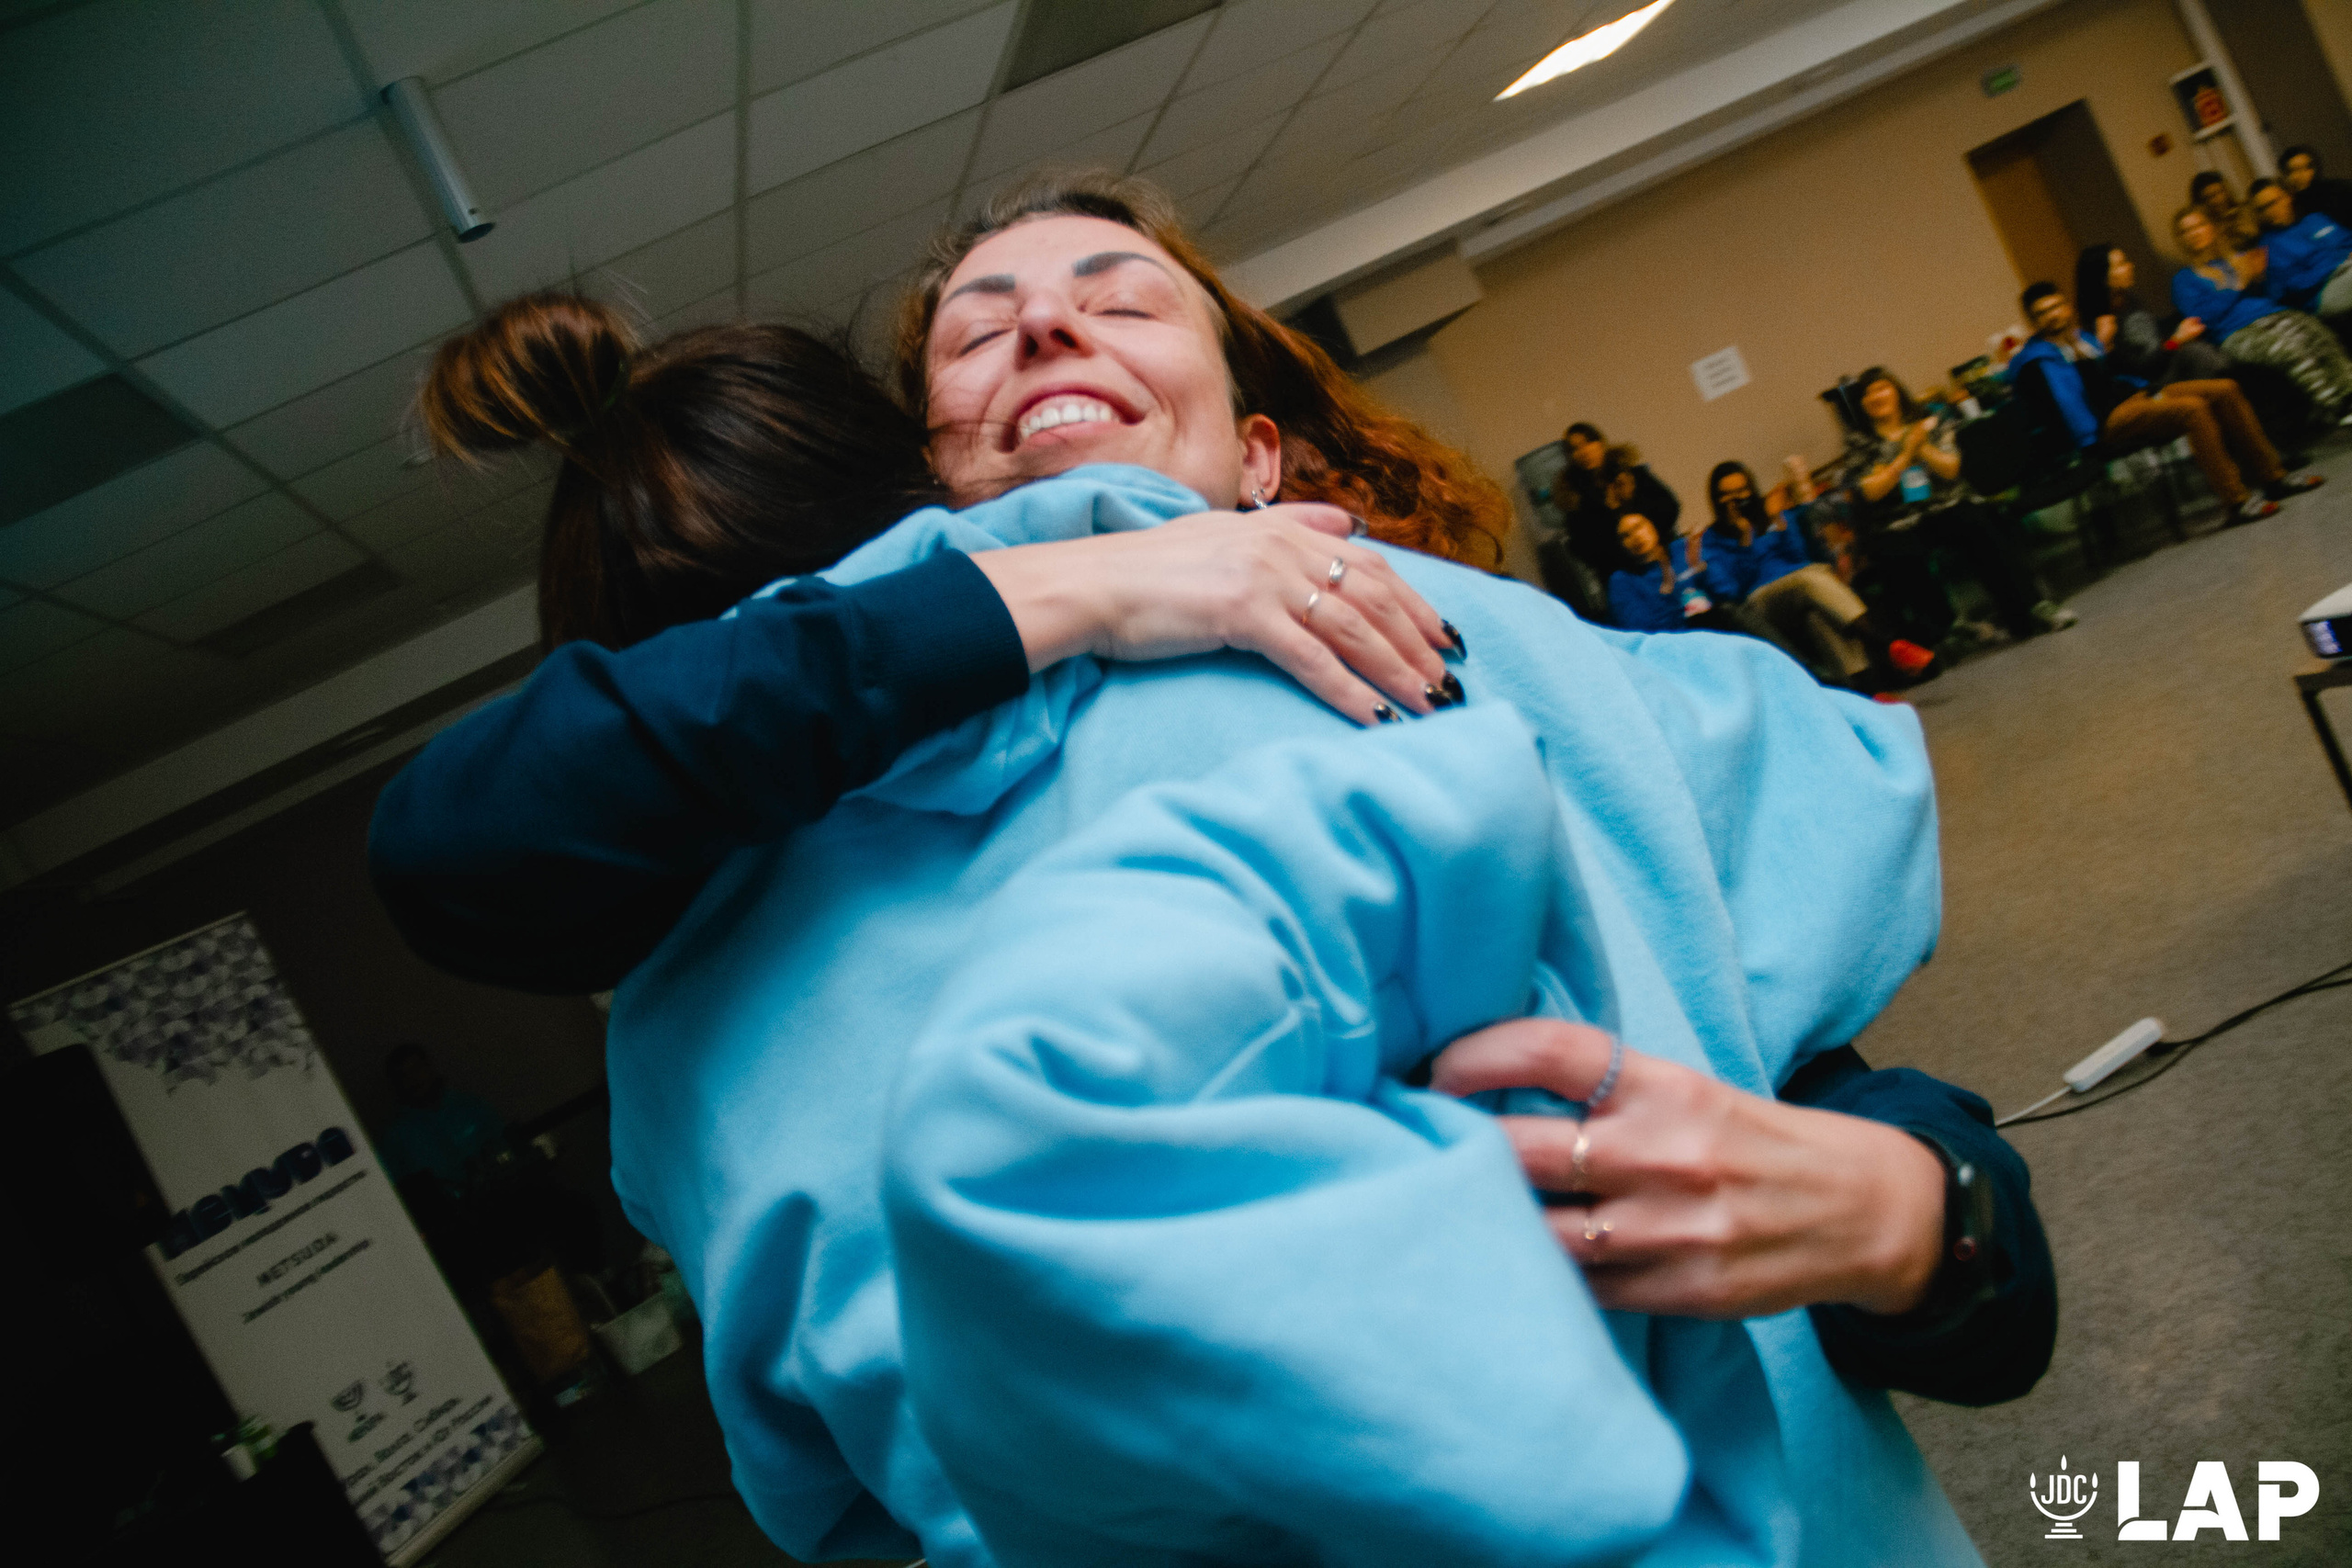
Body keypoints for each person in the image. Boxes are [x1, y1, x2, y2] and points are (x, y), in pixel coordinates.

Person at [375, 174, 2051, 1565]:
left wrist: (1917, 1211)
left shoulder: (1484, 654)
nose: (1046, 321)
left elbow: (1867, 1148)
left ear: (1261, 457)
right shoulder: (793, 848)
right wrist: (1087, 584)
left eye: (1124, 296)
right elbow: (459, 840)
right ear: (932, 480)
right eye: (979, 325)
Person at [2011, 280, 2317, 525]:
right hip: (2103, 424)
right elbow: (2067, 406)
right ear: (2034, 321)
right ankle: (2236, 501)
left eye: (2057, 306)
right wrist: (2092, 442)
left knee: (2225, 388)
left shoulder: (2085, 340)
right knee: (2193, 409)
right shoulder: (2038, 359)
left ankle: (2274, 477)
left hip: (2133, 399)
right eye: (2043, 312)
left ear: (2067, 307)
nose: (2054, 315)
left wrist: (2147, 389)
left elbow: (2113, 377)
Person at [1838, 367, 2068, 649]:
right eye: (1868, 393)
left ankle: (2029, 610)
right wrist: (1906, 453)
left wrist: (1920, 445)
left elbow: (1951, 469)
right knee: (1895, 550)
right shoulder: (1860, 442)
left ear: (1897, 391)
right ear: (1861, 404)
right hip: (1897, 520)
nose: (1876, 396)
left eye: (1882, 388)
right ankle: (1951, 629)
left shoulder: (1929, 420)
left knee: (1979, 523)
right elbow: (1870, 491)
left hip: (1944, 505)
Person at [1694, 459, 1938, 690]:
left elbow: (1799, 558)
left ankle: (1867, 690)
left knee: (1817, 613)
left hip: (1803, 587)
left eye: (1742, 491)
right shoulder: (1712, 540)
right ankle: (1887, 643)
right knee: (1812, 578)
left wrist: (1779, 520)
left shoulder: (1769, 515)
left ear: (1752, 490)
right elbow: (1729, 591)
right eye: (1726, 494)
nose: (1735, 500)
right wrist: (1745, 541)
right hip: (1761, 604)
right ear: (1715, 499)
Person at [2172, 206, 2352, 423]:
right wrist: (2239, 283)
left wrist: (2262, 278)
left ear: (2211, 227)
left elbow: (2275, 294)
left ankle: (2348, 392)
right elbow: (2205, 317)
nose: (2195, 233)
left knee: (2318, 336)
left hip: (2274, 313)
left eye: (2199, 225)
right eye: (2186, 231)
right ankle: (2337, 407)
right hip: (2235, 332)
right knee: (2287, 350)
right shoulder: (2184, 279)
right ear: (2181, 239)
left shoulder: (2237, 259)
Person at [2072, 243, 2231, 386]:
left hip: (2162, 370)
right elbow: (2146, 366)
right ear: (2104, 278)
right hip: (2147, 386)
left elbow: (2153, 335)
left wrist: (2182, 326)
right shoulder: (2103, 323)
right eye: (2121, 265)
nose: (2130, 266)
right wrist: (2177, 340)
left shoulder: (2127, 302)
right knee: (2196, 354)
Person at [1556, 420, 1679, 580]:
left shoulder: (1634, 475)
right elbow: (1584, 550)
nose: (1584, 452)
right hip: (1622, 577)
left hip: (1665, 560)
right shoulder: (1575, 500)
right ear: (1570, 457)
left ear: (1600, 443)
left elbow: (1670, 508)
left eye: (1588, 442)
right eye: (1575, 449)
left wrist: (1634, 508)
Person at [1604, 509, 1734, 633]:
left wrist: (1706, 570)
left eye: (1638, 526)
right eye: (1625, 536)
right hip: (1674, 642)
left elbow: (1728, 592)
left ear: (1652, 524)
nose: (1636, 537)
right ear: (1620, 545)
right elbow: (1641, 631)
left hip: (1717, 626)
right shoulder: (1622, 580)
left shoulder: (1683, 548)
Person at [2249, 176, 2352, 320]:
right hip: (2322, 293)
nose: (2270, 211)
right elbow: (2295, 285)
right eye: (2262, 209)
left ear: (2287, 197)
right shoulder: (2267, 248)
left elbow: (2347, 239)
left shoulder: (2315, 219)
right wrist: (2339, 262)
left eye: (2273, 203)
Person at [2190, 169, 2265, 261]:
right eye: (2209, 197)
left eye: (2220, 192)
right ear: (2201, 202)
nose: (2218, 200)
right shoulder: (2205, 228)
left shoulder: (2246, 210)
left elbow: (2255, 235)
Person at [2280, 142, 2352, 228]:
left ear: (2314, 169)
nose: (2298, 176)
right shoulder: (2291, 208)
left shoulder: (2340, 191)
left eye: (2305, 168)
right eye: (2291, 171)